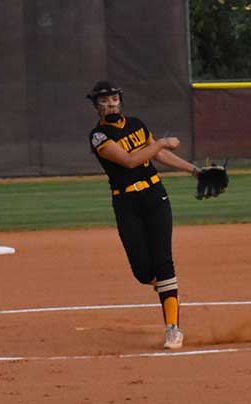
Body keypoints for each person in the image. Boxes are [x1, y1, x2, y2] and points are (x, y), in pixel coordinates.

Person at [87, 79, 216, 350]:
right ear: (96, 106)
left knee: (163, 261)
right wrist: (163, 143)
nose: (110, 104)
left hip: (155, 196)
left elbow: (157, 157)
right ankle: (167, 290)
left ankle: (173, 328)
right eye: (104, 101)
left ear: (120, 100)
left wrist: (195, 170)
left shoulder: (136, 124)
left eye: (113, 99)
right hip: (126, 203)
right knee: (143, 271)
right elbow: (131, 160)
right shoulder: (99, 136)